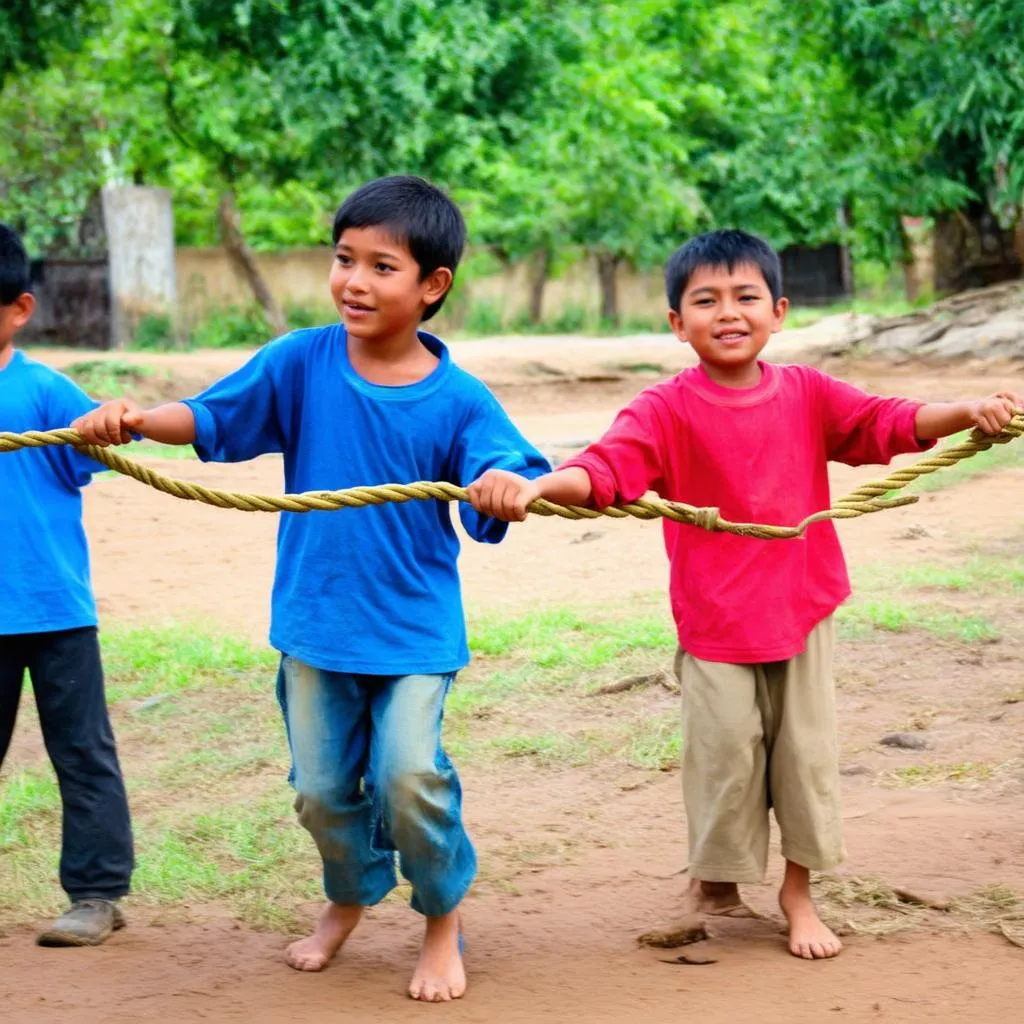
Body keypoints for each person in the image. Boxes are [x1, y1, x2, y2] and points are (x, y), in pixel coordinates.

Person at [466, 228, 1022, 960]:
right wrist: (536, 487)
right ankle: (718, 881)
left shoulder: (807, 393)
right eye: (706, 300)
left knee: (805, 759)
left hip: (802, 612)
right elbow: (605, 472)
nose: (727, 313)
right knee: (725, 756)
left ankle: (798, 891)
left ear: (779, 311)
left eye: (745, 297)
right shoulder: (662, 409)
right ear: (676, 322)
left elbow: (882, 423)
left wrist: (965, 409)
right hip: (715, 623)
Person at [73, 176, 549, 1000]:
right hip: (315, 625)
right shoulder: (301, 361)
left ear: (433, 286)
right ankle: (349, 896)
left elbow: (505, 467)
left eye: (381, 266)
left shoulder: (461, 399)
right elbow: (216, 414)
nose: (354, 281)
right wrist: (140, 419)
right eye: (343, 259)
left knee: (408, 779)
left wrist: (508, 483)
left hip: (412, 635)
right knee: (322, 793)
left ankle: (442, 920)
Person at [0, 222, 134, 946]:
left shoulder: (44, 393)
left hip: (54, 611)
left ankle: (96, 893)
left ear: (18, 310)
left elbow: (111, 444)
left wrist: (114, 424)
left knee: (82, 753)